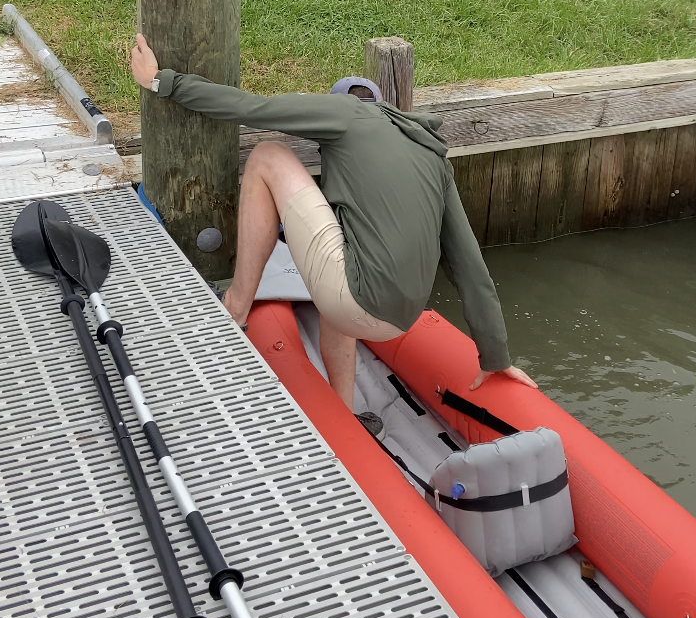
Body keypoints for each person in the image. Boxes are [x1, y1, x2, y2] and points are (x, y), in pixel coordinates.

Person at [130, 34, 537, 423]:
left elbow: (251, 108)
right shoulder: (433, 157)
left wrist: (160, 81)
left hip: (355, 299)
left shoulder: (346, 112)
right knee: (349, 253)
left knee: (268, 155)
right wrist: (495, 356)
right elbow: (469, 268)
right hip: (399, 319)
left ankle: (235, 309)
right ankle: (345, 413)